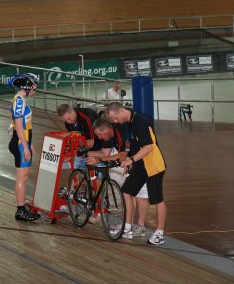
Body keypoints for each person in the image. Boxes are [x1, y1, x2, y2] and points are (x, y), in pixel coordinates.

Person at [106, 102, 167, 245]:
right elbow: (133, 145)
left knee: (157, 200)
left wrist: (130, 160)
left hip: (153, 166)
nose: (115, 122)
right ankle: (127, 229)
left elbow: (148, 147)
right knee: (127, 191)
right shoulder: (129, 122)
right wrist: (130, 161)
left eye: (115, 118)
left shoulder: (139, 121)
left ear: (120, 111)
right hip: (140, 166)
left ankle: (160, 233)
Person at [87, 117, 149, 239]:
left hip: (142, 161)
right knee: (129, 193)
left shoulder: (120, 130)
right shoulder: (110, 135)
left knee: (140, 195)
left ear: (106, 129)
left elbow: (122, 155)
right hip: (132, 161)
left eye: (99, 134)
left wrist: (99, 159)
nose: (99, 138)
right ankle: (128, 225)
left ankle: (139, 226)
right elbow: (108, 154)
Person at [8, 72, 40, 222]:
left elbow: (24, 126)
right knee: (22, 177)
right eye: (34, 87)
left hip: (22, 142)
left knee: (23, 177)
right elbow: (19, 127)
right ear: (26, 87)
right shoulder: (19, 101)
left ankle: (21, 208)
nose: (35, 90)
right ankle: (20, 211)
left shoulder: (20, 100)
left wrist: (30, 144)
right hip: (20, 144)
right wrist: (26, 147)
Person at [57, 104, 103, 170]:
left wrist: (73, 151)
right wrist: (69, 152)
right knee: (76, 170)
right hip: (84, 144)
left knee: (98, 175)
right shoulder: (68, 123)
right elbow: (75, 138)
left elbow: (92, 142)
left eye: (69, 119)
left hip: (99, 143)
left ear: (72, 111)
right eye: (65, 121)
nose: (68, 122)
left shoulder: (87, 118)